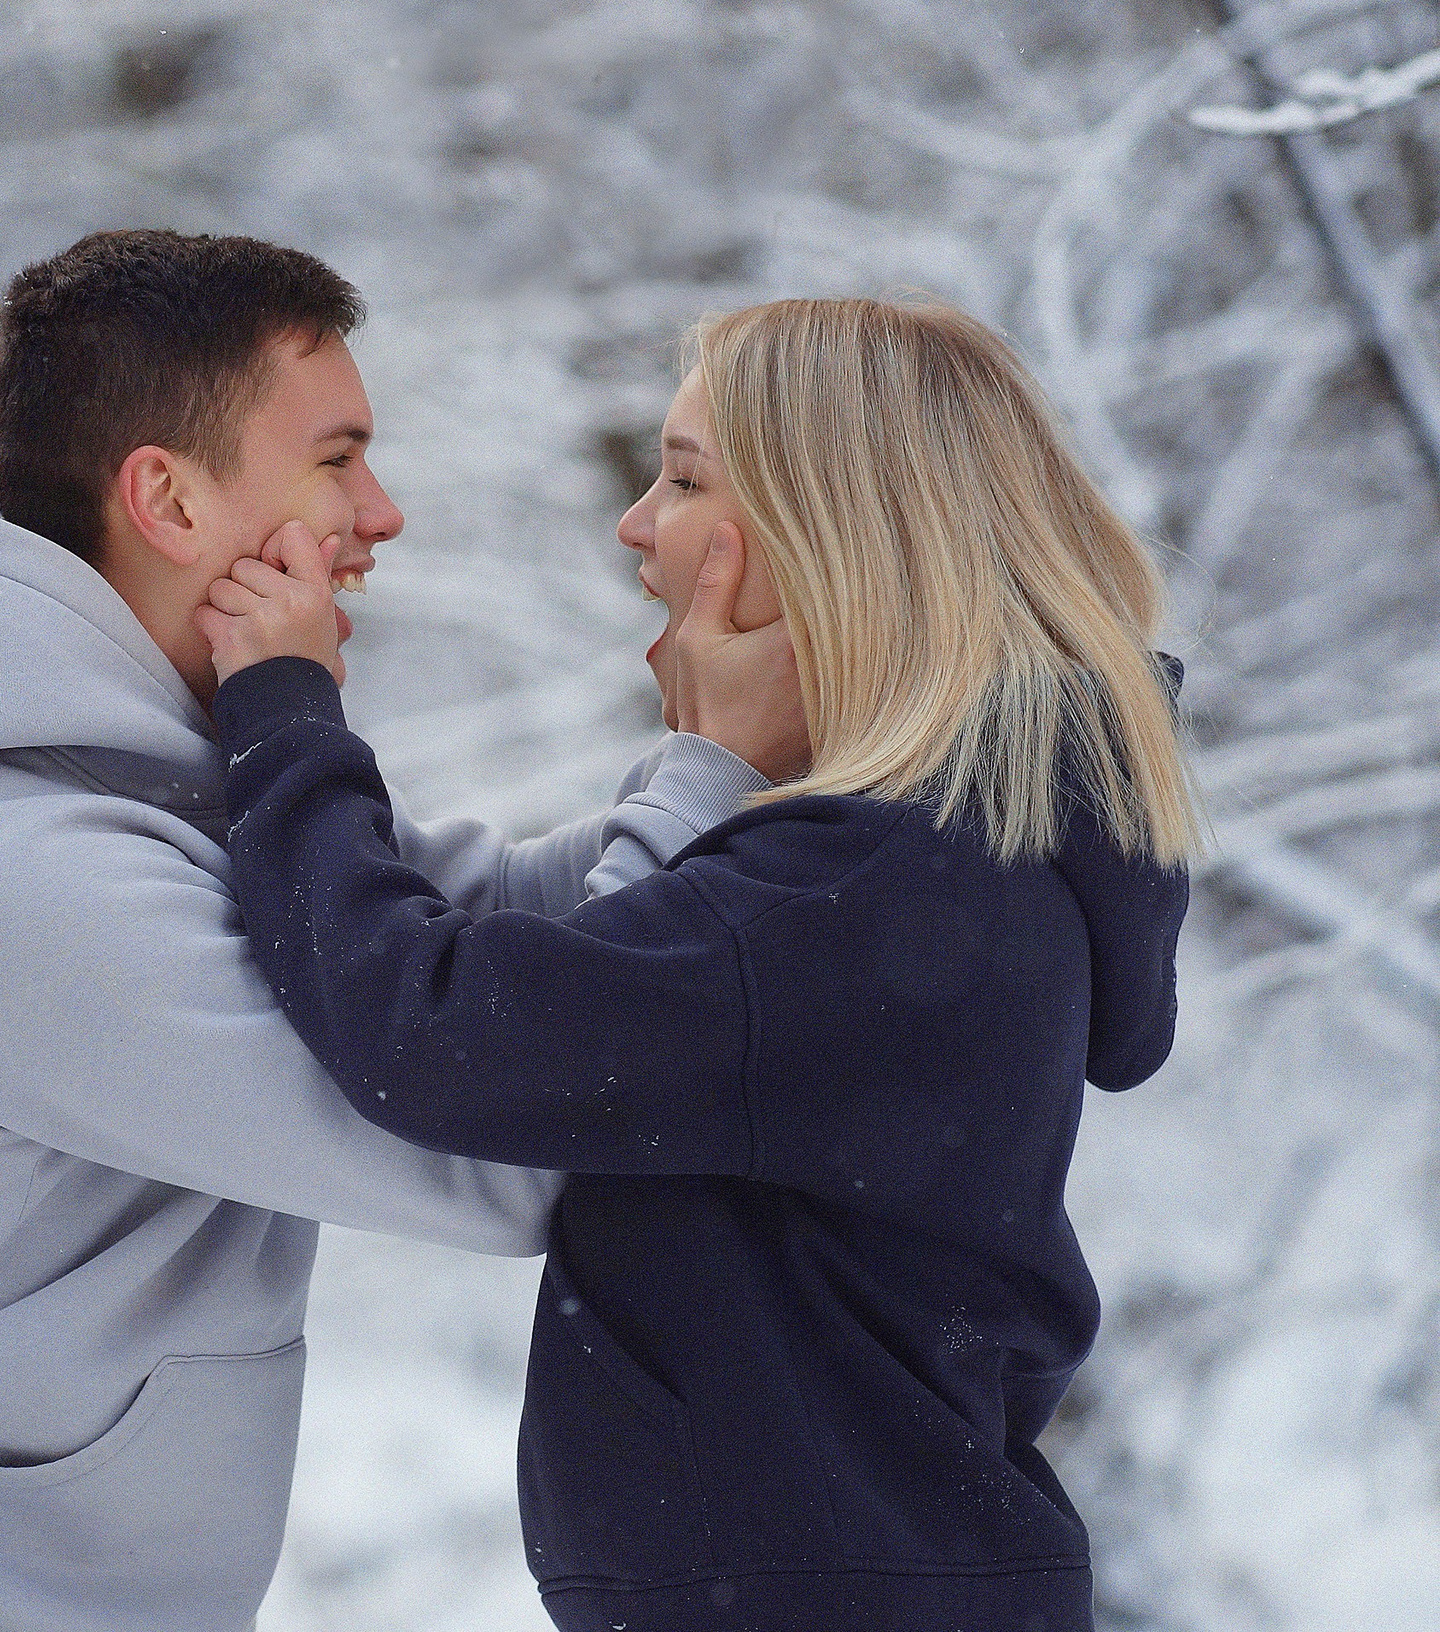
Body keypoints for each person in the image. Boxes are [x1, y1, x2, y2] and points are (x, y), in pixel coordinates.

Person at [0, 231, 808, 1631]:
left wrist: (797, 789)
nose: (384, 513)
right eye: (336, 459)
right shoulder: (6, 873)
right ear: (170, 501)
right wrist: (711, 771)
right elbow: (508, 1132)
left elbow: (498, 932)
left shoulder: (156, 816)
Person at [199, 296, 1199, 1632]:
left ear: (829, 536)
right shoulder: (951, 862)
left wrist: (280, 716)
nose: (632, 524)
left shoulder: (851, 893)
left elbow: (431, 1027)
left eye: (681, 481)